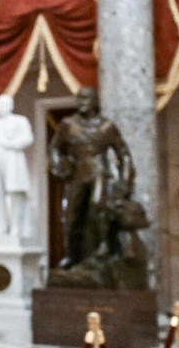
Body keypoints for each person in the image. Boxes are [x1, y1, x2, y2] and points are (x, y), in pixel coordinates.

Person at [48, 86, 134, 270]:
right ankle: (72, 255)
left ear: (95, 101)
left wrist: (124, 182)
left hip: (100, 172)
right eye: (79, 99)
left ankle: (103, 247)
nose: (81, 103)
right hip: (78, 173)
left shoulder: (107, 127)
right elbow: (55, 148)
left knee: (97, 208)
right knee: (70, 217)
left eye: (86, 99)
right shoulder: (68, 125)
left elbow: (124, 155)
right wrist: (60, 166)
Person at [0, 93, 34, 239]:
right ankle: (0, 227)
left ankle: (16, 227)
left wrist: (11, 144)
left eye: (4, 104)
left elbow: (28, 138)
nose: (1, 107)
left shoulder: (19, 121)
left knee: (15, 195)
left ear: (11, 106)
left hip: (12, 162)